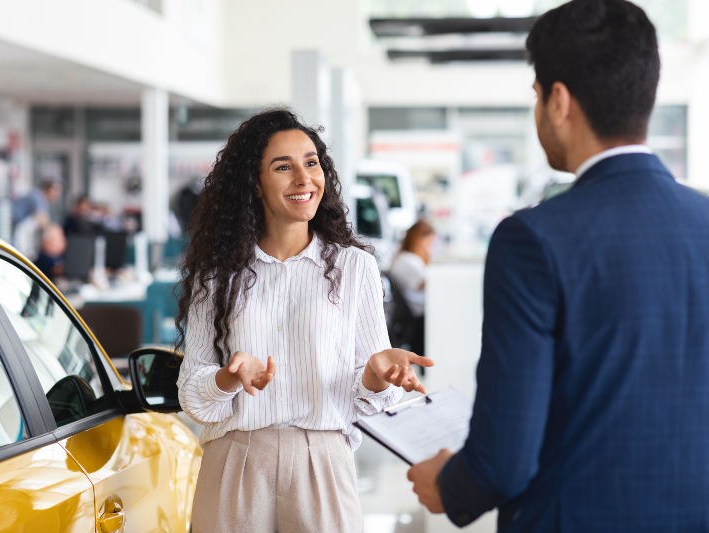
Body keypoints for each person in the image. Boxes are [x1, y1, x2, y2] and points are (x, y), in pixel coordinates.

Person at [408, 1, 709, 531]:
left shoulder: (534, 239)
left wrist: (449, 486)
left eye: (536, 95)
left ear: (560, 101)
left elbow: (506, 458)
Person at [175, 109, 433, 533]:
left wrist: (373, 375)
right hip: (235, 461)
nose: (303, 178)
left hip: (323, 462)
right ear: (255, 184)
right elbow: (193, 395)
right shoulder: (216, 275)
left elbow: (368, 398)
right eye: (283, 166)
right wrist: (228, 378)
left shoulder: (355, 268)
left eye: (311, 163)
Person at [389, 220, 436, 357]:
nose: (431, 247)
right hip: (418, 316)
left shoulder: (408, 259)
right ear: (419, 239)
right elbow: (428, 284)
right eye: (429, 242)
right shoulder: (407, 261)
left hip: (416, 313)